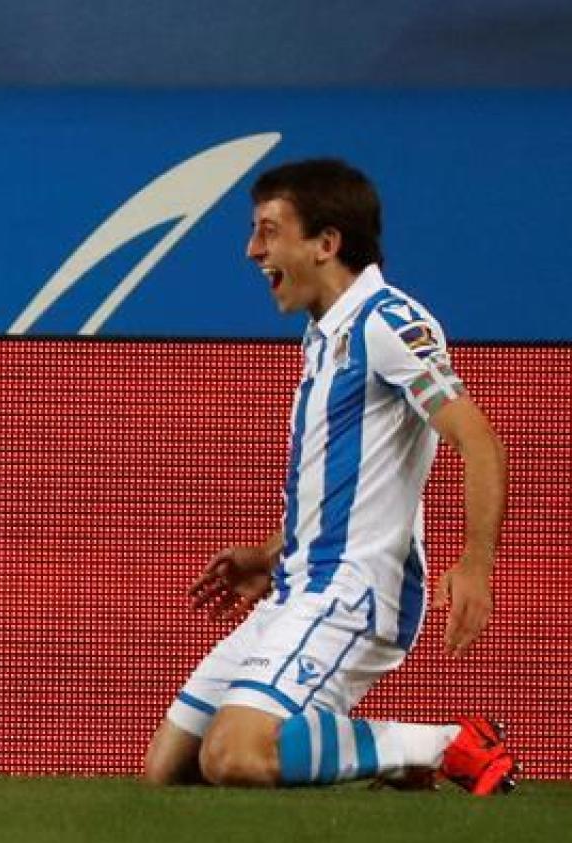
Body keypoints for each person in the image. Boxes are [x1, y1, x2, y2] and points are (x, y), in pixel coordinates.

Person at [142, 158, 516, 794]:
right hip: (299, 584)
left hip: (355, 591)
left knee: (235, 756)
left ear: (326, 243)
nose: (252, 250)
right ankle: (378, 760)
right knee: (170, 770)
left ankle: (442, 743)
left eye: (268, 230)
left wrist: (476, 563)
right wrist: (271, 552)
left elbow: (479, 441)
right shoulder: (325, 336)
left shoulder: (388, 323)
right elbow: (346, 483)